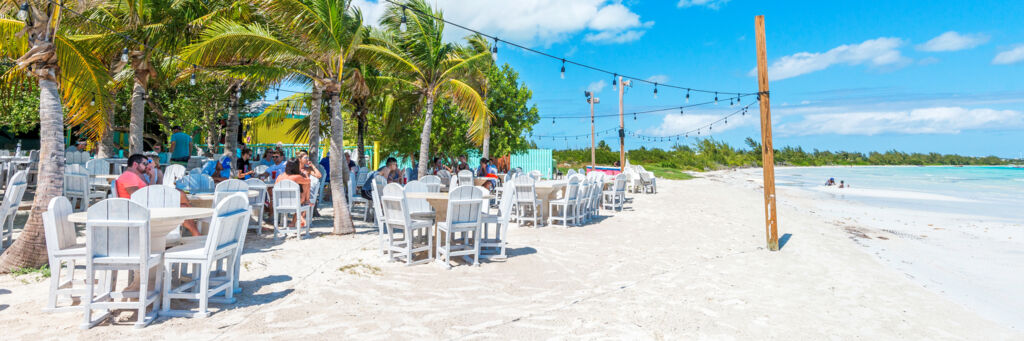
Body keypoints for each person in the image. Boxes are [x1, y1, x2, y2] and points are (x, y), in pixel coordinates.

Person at [276, 158, 311, 226]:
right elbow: (308, 181)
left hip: (280, 202)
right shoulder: (297, 177)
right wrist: (306, 174)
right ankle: (307, 201)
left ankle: (294, 222)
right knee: (306, 185)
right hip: (294, 202)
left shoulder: (280, 176)